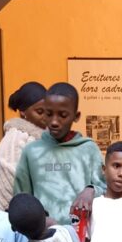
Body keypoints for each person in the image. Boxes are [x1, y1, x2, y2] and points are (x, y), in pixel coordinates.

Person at [12, 82, 106, 225]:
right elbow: (22, 198)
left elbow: (106, 188)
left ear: (76, 116)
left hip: (82, 236)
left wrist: (91, 190)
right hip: (42, 236)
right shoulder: (31, 152)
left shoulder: (89, 149)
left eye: (62, 115)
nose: (54, 122)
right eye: (49, 114)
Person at [0, 81, 46, 211]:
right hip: (19, 217)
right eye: (40, 112)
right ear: (23, 112)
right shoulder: (16, 139)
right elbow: (13, 184)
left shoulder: (41, 138)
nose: (46, 117)